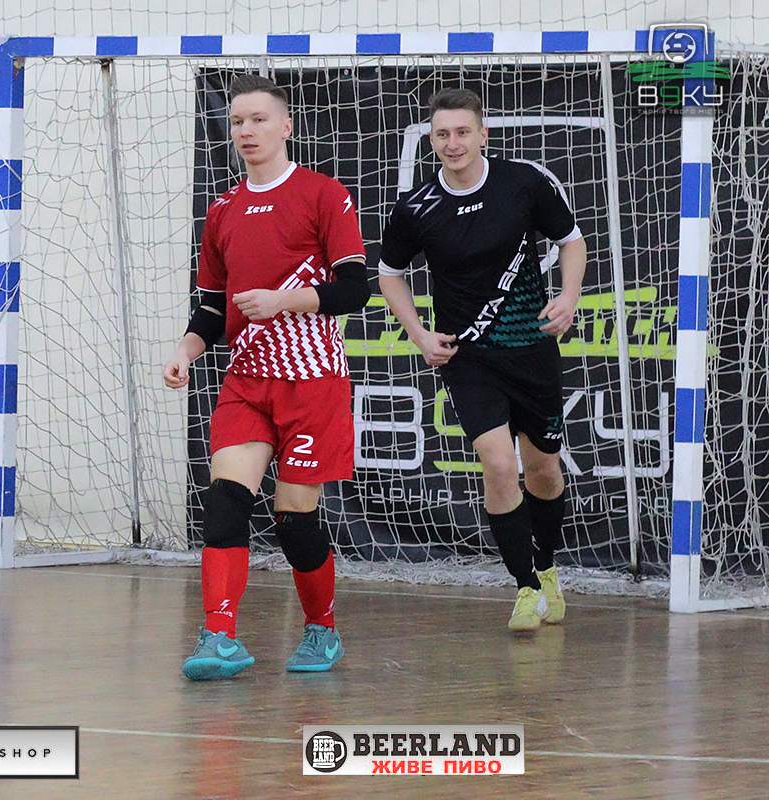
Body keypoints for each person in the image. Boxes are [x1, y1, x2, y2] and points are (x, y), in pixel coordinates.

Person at [163, 74, 369, 680]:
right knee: (226, 500)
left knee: (295, 519)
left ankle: (322, 628)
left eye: (258, 119)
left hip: (312, 380)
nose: (246, 131)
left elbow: (355, 290)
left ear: (285, 126)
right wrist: (187, 350)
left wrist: (284, 301)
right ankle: (219, 636)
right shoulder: (222, 210)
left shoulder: (323, 194)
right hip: (247, 380)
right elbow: (211, 308)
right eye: (236, 122)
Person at [377, 87, 586, 632]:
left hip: (531, 349)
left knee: (543, 469)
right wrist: (419, 334)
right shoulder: (416, 206)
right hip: (468, 358)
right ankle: (524, 587)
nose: (452, 143)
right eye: (442, 134)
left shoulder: (523, 183)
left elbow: (572, 240)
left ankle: (547, 567)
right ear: (431, 139)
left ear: (483, 134)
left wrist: (568, 296)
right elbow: (389, 274)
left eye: (462, 132)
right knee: (497, 464)